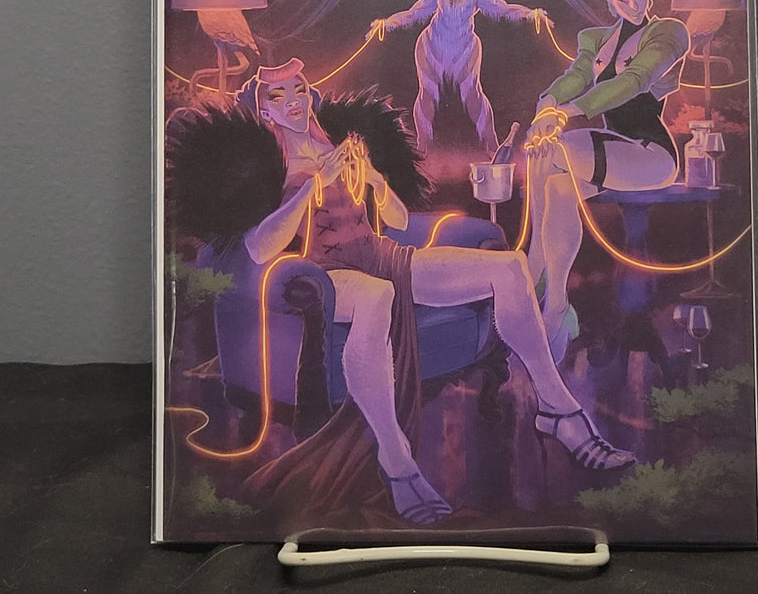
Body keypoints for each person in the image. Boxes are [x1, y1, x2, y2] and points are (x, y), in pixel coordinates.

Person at [239, 57, 635, 527]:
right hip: (330, 272)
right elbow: (259, 247)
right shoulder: (271, 164)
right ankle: (397, 460)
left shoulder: (338, 148)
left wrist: (375, 181)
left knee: (510, 268)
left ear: (311, 95)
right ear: (265, 111)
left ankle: (556, 407)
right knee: (376, 296)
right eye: (278, 95)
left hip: (382, 254)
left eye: (299, 89)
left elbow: (399, 220)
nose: (292, 100)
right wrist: (312, 188)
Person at [526, 0, 689, 358]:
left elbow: (634, 81)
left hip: (650, 154)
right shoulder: (594, 39)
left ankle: (532, 270)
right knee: (556, 182)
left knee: (557, 149)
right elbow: (576, 77)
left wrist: (566, 113)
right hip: (612, 146)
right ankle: (556, 304)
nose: (635, 5)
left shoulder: (668, 33)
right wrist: (546, 103)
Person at [368, 0, 547, 157]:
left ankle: (492, 146)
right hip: (432, 44)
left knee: (474, 95)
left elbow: (502, 8)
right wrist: (387, 23)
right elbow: (413, 13)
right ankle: (422, 149)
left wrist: (531, 14)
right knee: (427, 94)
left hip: (465, 47)